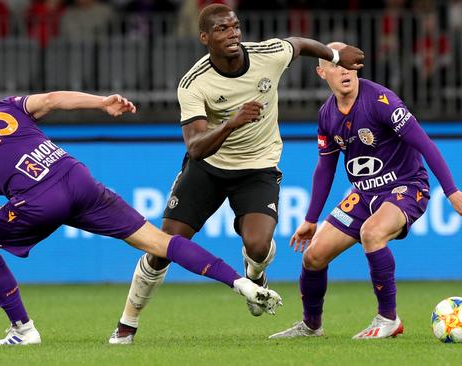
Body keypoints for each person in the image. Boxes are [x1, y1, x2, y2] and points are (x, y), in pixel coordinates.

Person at [0, 91, 283, 346]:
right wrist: (102, 102)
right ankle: (241, 283)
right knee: (159, 242)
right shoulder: (4, 107)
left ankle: (23, 329)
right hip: (75, 175)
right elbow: (51, 100)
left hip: (37, 200)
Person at [108, 4, 365, 345]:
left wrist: (334, 55)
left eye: (235, 26)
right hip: (208, 169)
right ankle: (127, 324)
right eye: (221, 29)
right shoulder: (193, 83)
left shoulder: (268, 55)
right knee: (161, 247)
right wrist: (231, 122)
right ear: (204, 38)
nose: (232, 33)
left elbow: (300, 44)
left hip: (258, 167)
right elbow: (196, 147)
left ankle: (255, 275)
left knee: (258, 244)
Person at [268, 42, 462, 340]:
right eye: (335, 64)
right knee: (313, 256)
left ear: (356, 67)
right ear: (322, 72)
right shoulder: (326, 115)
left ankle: (388, 318)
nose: (344, 70)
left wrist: (452, 191)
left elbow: (424, 144)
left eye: (348, 64)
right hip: (364, 193)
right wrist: (311, 218)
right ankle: (311, 326)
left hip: (405, 186)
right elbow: (325, 168)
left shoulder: (381, 101)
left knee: (372, 233)